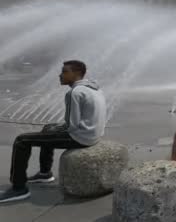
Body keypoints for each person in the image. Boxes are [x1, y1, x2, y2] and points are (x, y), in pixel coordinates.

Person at [0, 60, 107, 203]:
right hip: (93, 134)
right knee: (48, 128)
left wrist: (54, 130)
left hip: (80, 137)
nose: (60, 75)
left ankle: (18, 188)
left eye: (64, 72)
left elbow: (71, 126)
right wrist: (51, 129)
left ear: (76, 74)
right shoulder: (94, 88)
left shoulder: (74, 92)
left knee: (22, 140)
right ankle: (45, 173)